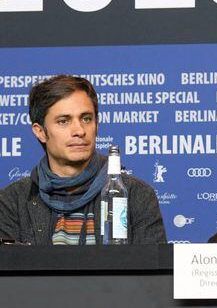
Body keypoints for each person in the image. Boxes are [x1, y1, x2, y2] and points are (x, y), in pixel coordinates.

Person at [0, 75, 166, 245]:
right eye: (64, 121)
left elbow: (151, 268)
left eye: (86, 119)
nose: (79, 130)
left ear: (97, 124)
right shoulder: (12, 201)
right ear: (40, 132)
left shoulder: (136, 195)